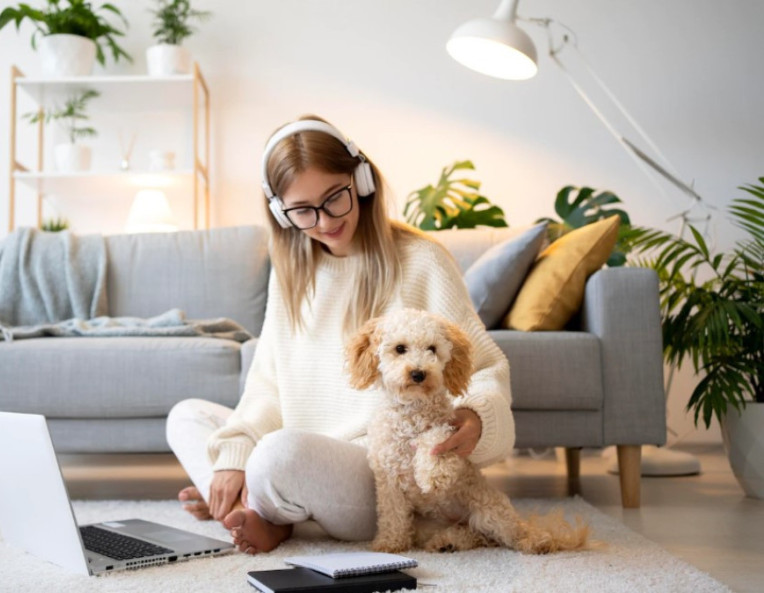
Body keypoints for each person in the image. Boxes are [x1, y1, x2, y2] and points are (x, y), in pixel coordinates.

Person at [166, 115, 515, 554]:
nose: (324, 221)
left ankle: (265, 508)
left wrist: (478, 416)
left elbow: (483, 369)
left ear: (362, 180)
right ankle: (257, 500)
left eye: (334, 198)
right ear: (281, 213)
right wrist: (233, 459)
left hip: (378, 478)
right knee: (186, 416)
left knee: (278, 455)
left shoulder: (423, 261)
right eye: (302, 210)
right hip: (305, 458)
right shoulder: (291, 277)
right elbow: (268, 388)